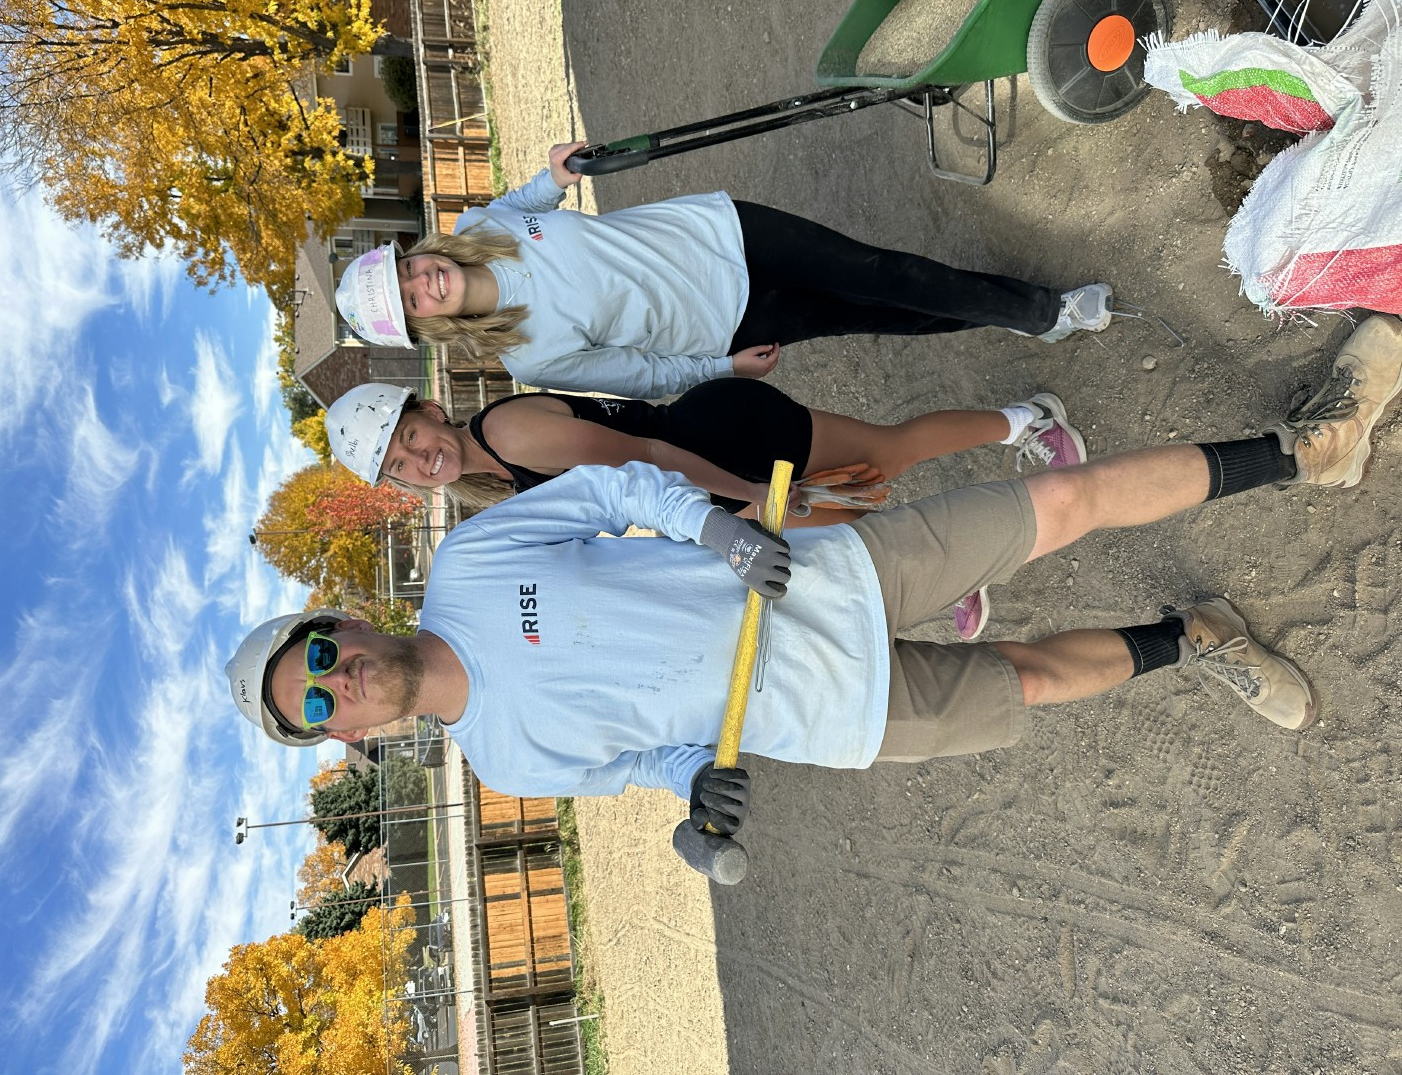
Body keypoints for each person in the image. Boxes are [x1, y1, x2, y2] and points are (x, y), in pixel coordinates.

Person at [228, 315, 1402, 836]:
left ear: (336, 620)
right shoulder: (507, 761)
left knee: (1066, 499)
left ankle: (1309, 451)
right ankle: (1197, 637)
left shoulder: (472, 560)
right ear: (348, 742)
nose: (345, 681)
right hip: (825, 714)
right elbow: (653, 755)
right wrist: (697, 797)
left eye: (319, 656)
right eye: (321, 706)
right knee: (1030, 678)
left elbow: (626, 485)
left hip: (819, 576)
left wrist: (716, 531)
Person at [332, 142, 1120, 399]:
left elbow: (517, 196)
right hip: (731, 322)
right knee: (884, 312)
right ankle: (1017, 312)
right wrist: (724, 367)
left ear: (415, 252)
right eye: (409, 303)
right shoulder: (529, 355)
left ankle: (1045, 310)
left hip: (719, 230)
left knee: (883, 270)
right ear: (426, 328)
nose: (421, 282)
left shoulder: (479, 227)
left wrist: (555, 176)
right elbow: (638, 374)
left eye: (407, 269)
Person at [322, 377, 1087, 528]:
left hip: (722, 444)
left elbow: (647, 448)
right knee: (856, 517)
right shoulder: (492, 488)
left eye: (408, 436)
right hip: (713, 489)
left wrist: (752, 495)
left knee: (884, 457)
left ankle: (1027, 420)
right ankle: (953, 575)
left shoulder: (511, 435)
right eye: (396, 464)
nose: (417, 458)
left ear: (427, 409)